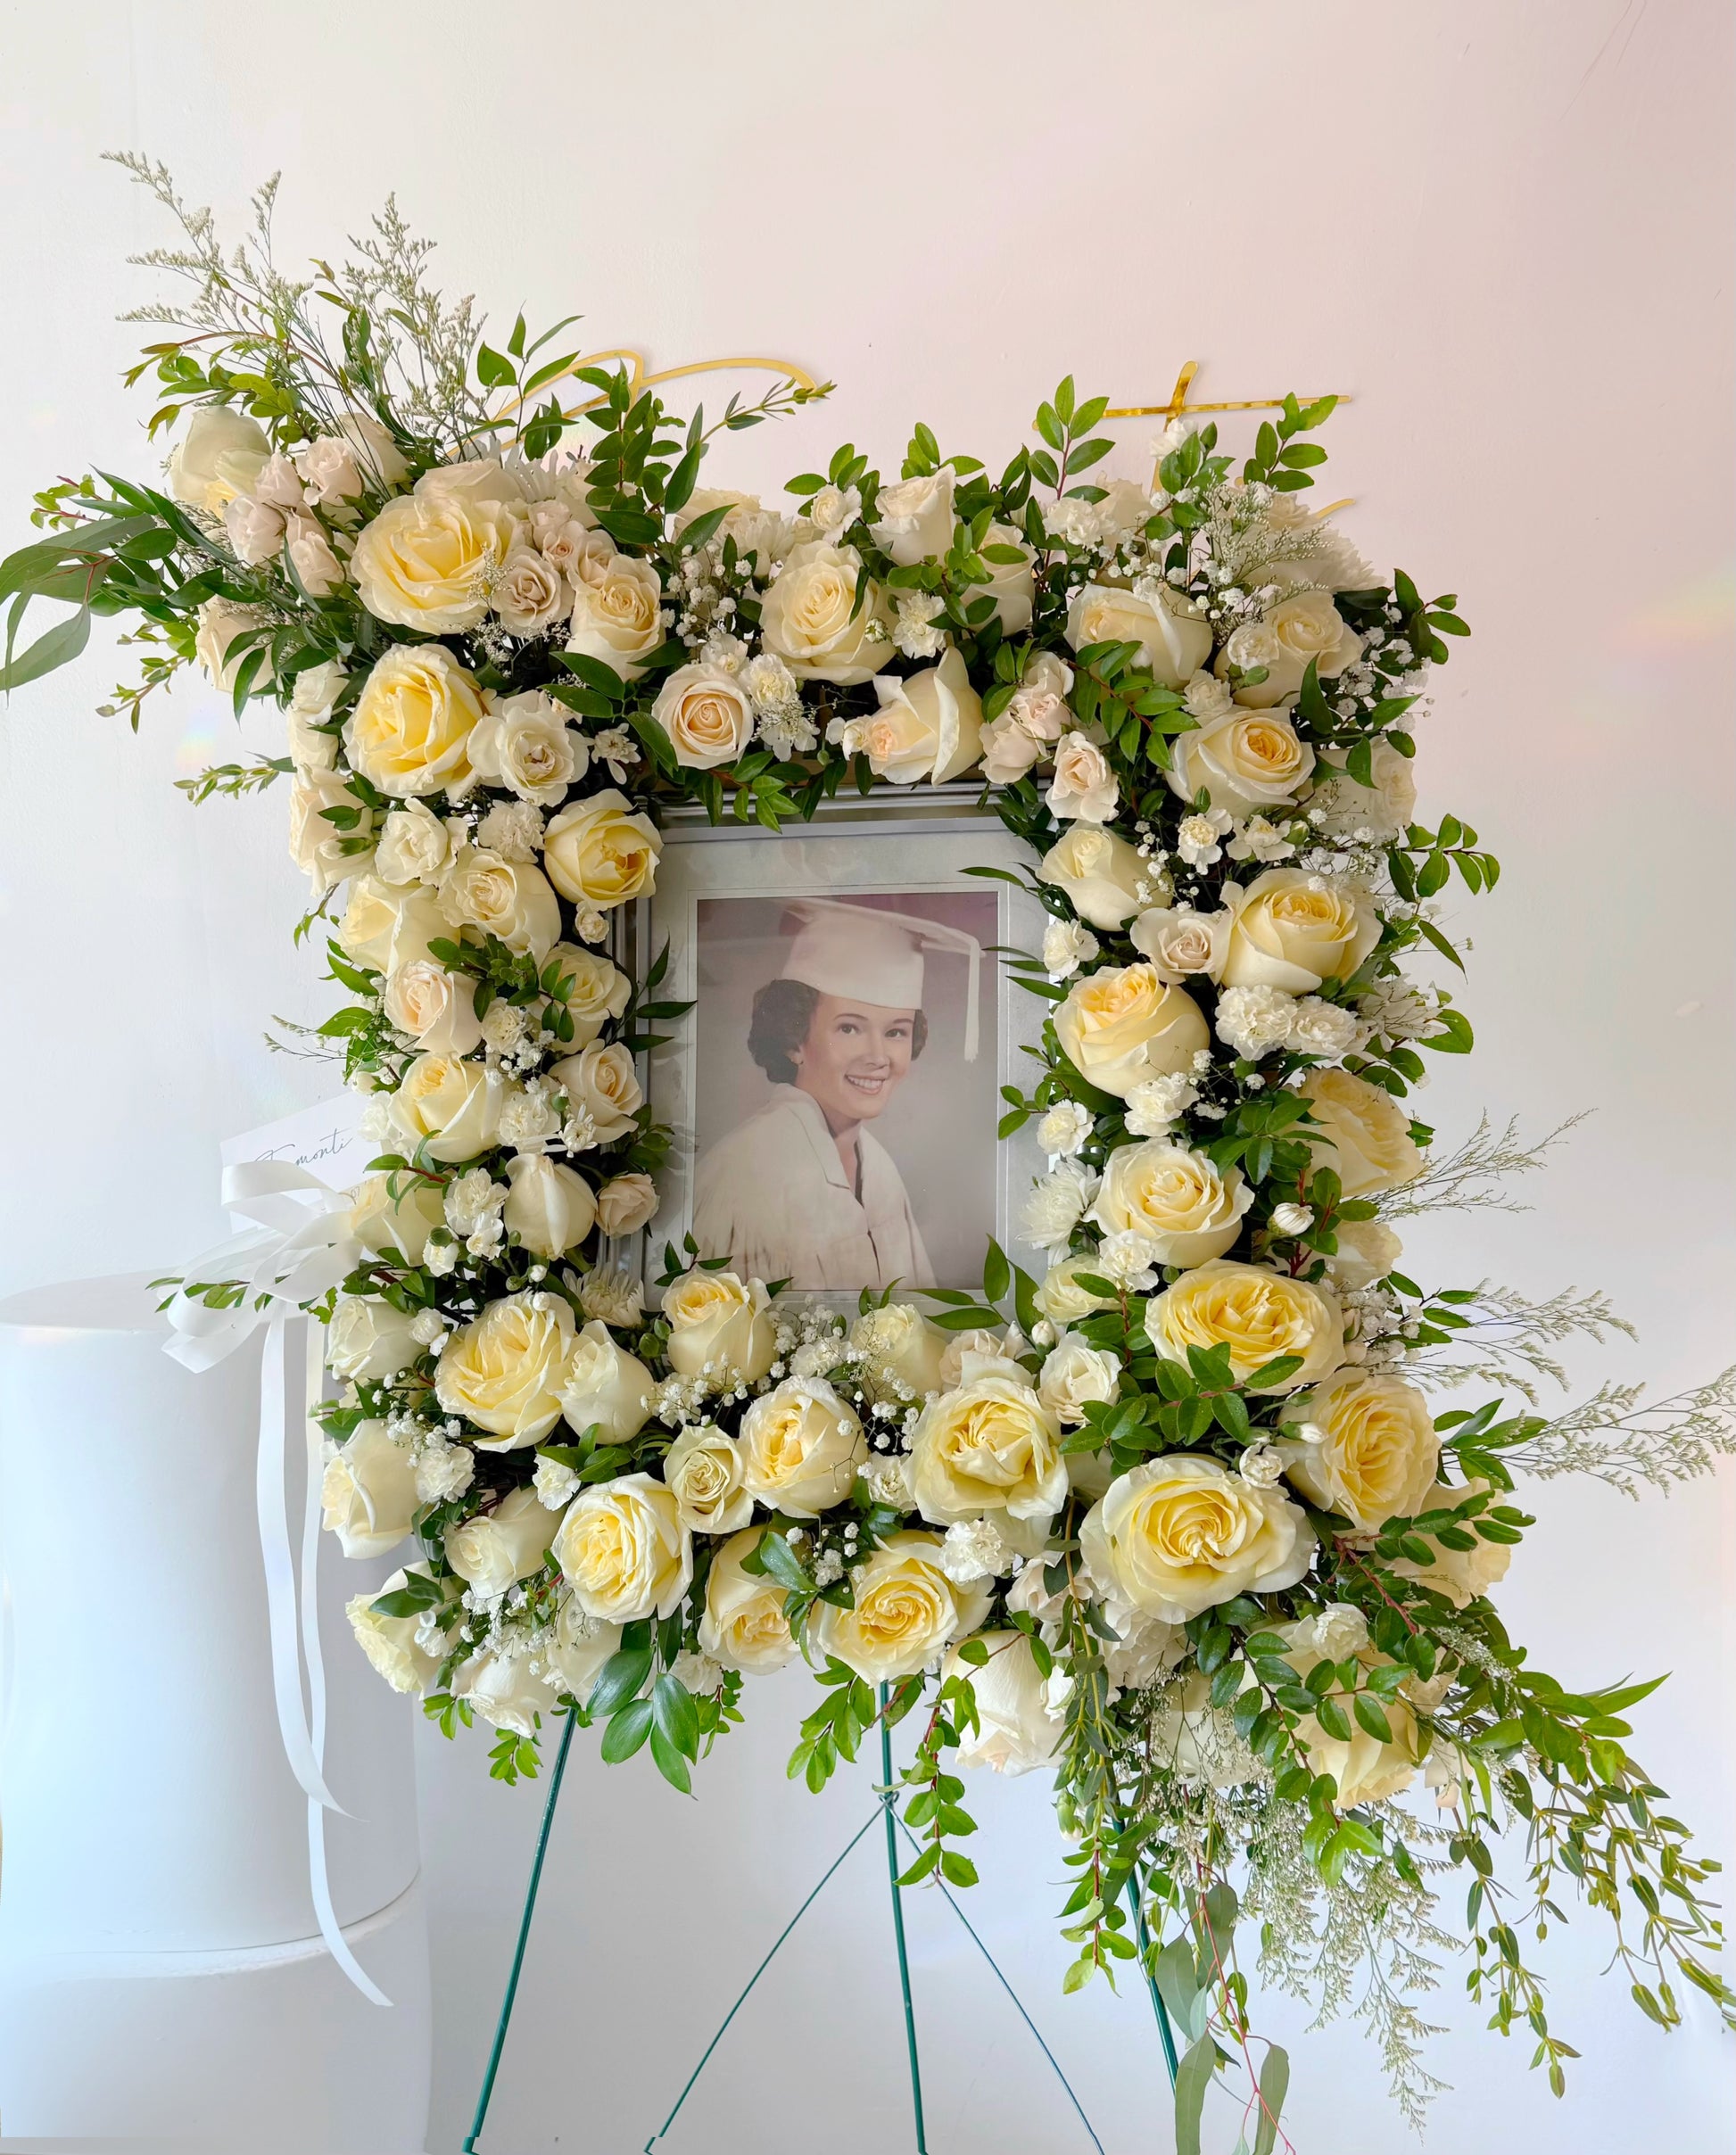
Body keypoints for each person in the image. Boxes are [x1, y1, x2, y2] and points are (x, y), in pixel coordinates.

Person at [691, 899, 981, 1291]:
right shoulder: (741, 1175)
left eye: (896, 1031)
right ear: (794, 1041)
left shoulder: (879, 1169)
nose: (878, 1057)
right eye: (849, 1029)